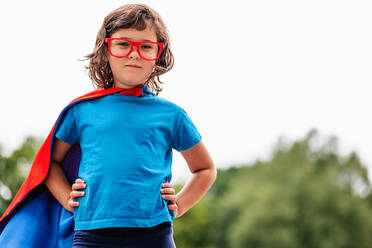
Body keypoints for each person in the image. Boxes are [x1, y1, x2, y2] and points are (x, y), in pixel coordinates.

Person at [34, 3, 215, 248]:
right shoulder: (81, 110)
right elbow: (49, 163)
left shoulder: (172, 115)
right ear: (106, 50)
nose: (134, 53)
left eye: (146, 46)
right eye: (123, 43)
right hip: (91, 234)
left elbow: (205, 168)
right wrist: (67, 197)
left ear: (157, 55)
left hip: (154, 232)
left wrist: (180, 204)